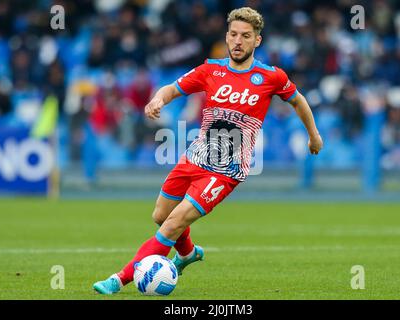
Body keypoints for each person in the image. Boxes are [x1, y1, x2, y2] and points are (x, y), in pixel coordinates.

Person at [93, 7, 323, 294]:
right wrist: (157, 100)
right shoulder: (210, 69)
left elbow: (298, 101)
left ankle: (118, 279)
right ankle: (188, 254)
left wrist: (313, 135)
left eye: (246, 36)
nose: (238, 41)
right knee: (161, 215)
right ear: (227, 37)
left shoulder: (270, 77)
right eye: (234, 35)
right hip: (197, 156)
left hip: (227, 169)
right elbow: (172, 89)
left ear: (257, 41)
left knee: (175, 221)